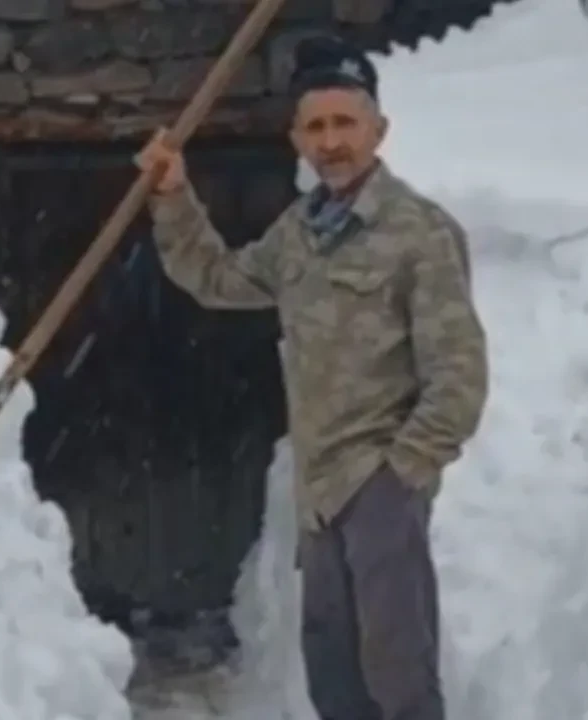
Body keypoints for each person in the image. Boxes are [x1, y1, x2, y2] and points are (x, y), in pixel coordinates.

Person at [134, 34, 489, 720]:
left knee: (399, 671)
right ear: (297, 138)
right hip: (320, 490)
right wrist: (174, 197)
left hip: (379, 482)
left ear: (378, 129)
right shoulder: (301, 232)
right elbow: (220, 279)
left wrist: (402, 473)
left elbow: (460, 374)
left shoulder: (419, 233)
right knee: (333, 671)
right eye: (316, 126)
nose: (332, 142)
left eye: (345, 123)